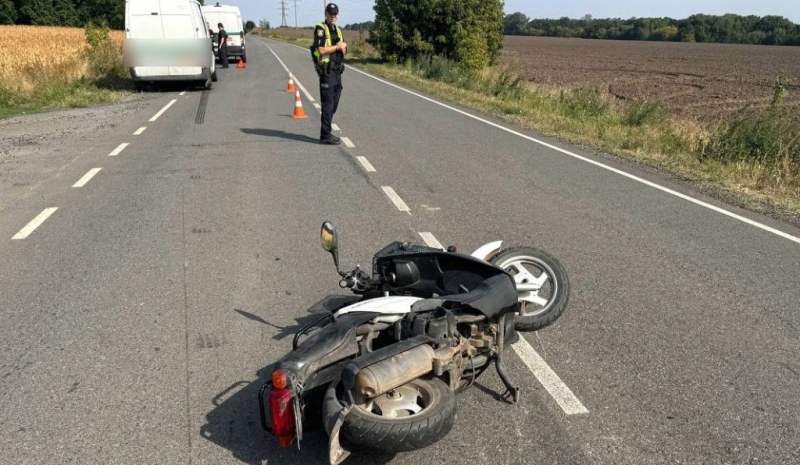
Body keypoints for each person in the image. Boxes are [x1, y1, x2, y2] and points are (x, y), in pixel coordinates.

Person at [312, 3, 347, 145]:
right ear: (325, 14)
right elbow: (320, 50)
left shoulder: (338, 30)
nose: (333, 16)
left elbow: (343, 47)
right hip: (327, 71)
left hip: (337, 71)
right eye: (331, 14)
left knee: (334, 104)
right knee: (327, 104)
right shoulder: (321, 29)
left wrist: (343, 47)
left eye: (335, 14)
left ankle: (327, 130)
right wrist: (338, 46)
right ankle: (325, 134)